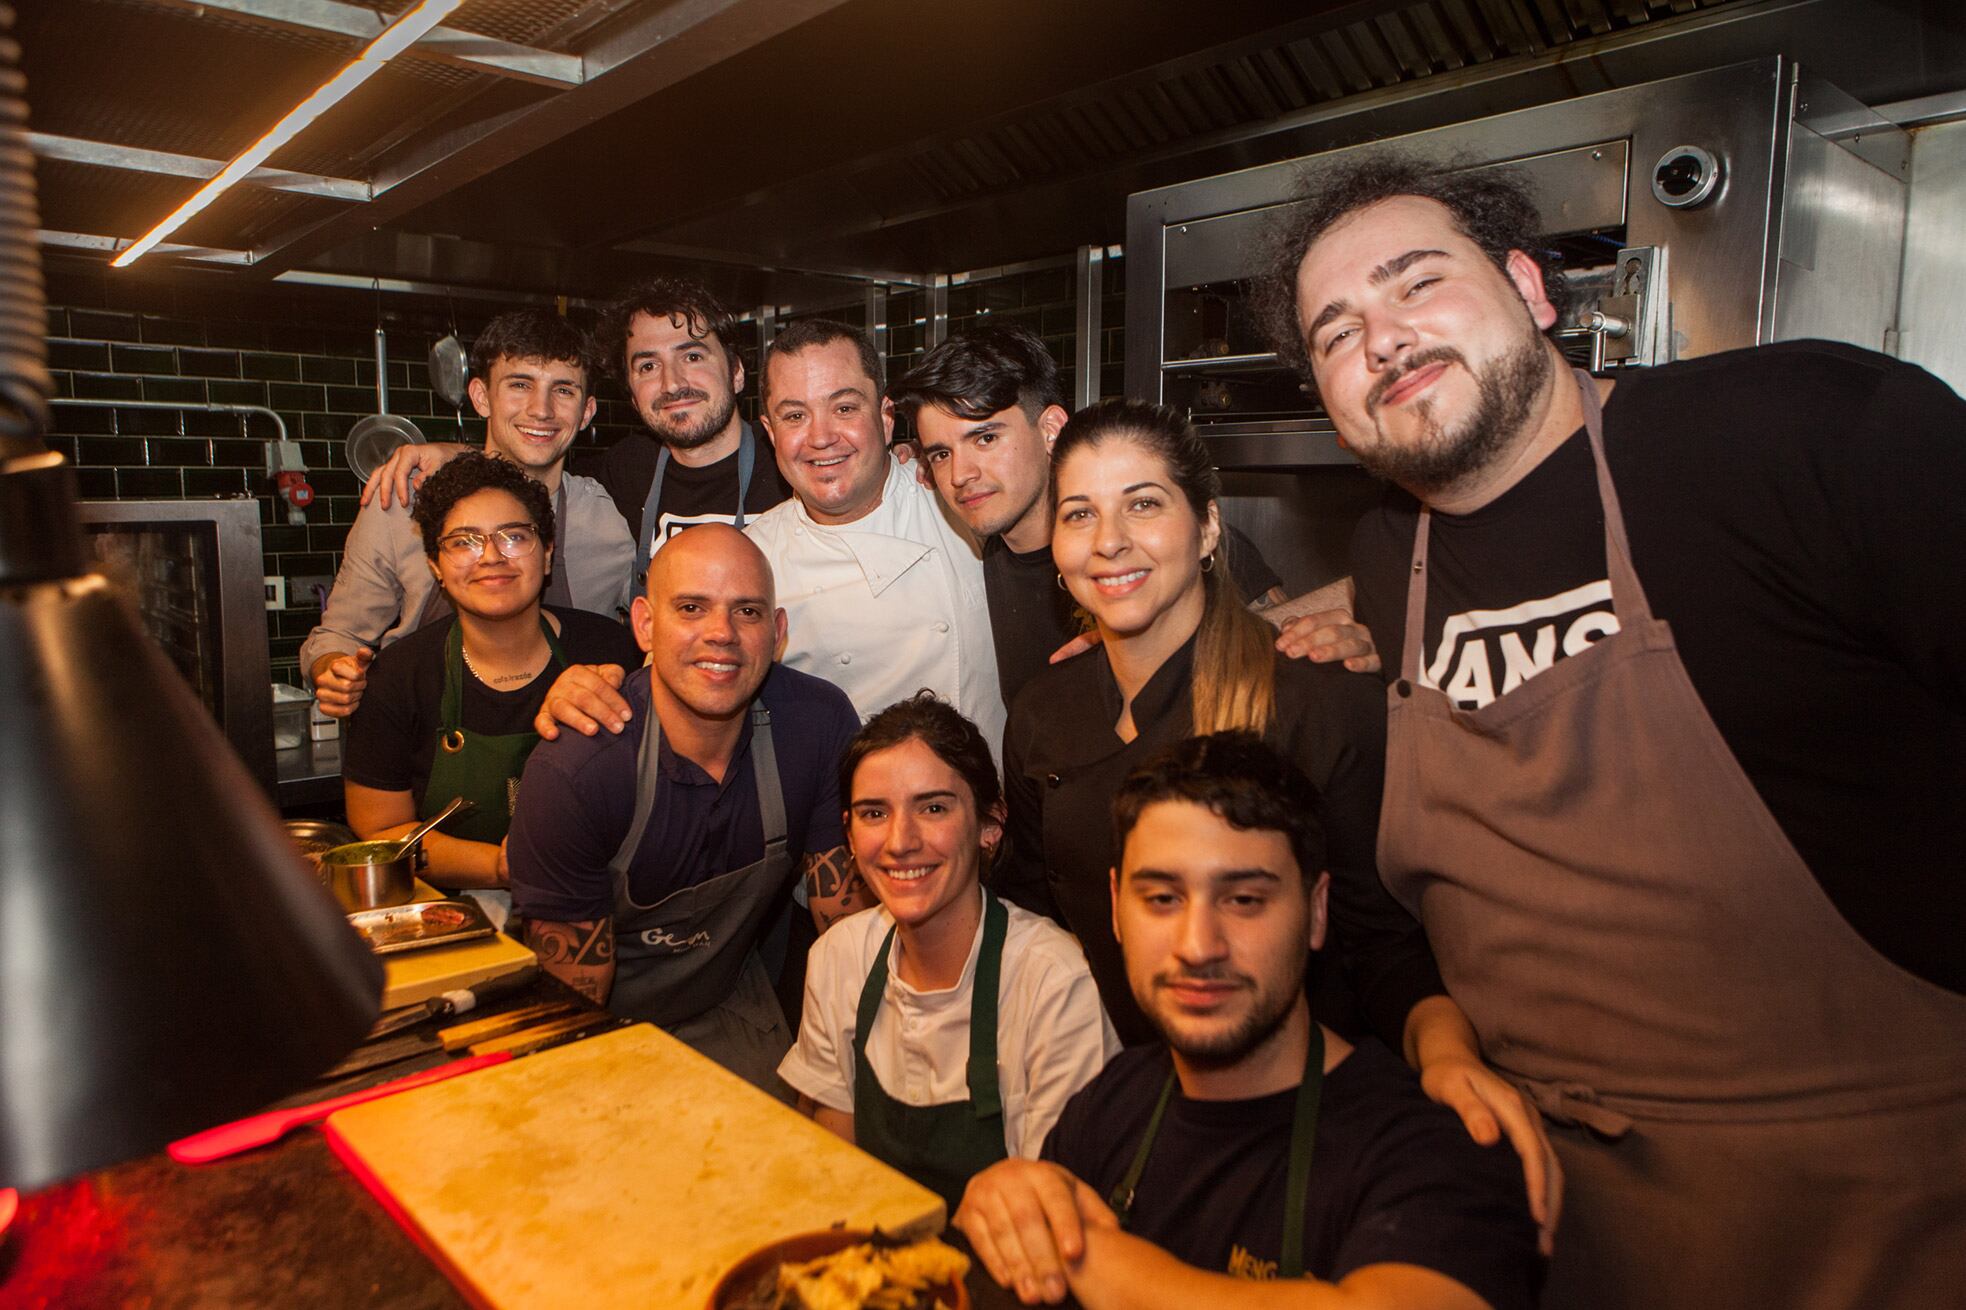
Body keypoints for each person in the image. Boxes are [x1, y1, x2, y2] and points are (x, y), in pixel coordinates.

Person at [1263, 151, 1966, 1308]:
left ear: (1535, 292)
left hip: (1876, 1213)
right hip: (1551, 1218)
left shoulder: (1795, 430)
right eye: (1335, 334)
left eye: (1414, 282)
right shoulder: (1391, 560)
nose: (1379, 339)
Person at [957, 733, 1542, 1310]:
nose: (1198, 946)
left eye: (1243, 900)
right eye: (1162, 898)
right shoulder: (1109, 1106)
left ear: (1315, 912)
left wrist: (1089, 1258)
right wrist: (1006, 1201)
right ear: (1115, 910)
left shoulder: (1433, 1149)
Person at [504, 524, 870, 1093]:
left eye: (747, 612)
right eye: (693, 607)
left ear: (776, 634)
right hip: (600, 1022)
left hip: (727, 1001)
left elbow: (848, 933)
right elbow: (572, 1010)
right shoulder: (578, 770)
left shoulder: (816, 724)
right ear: (646, 624)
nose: (721, 633)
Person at [890, 324, 1378, 706]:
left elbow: (1286, 652)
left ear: (1051, 429)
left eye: (986, 438)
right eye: (941, 453)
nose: (961, 475)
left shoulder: (1161, 541)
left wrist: (1159, 651)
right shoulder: (978, 544)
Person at [779, 692, 1119, 1212]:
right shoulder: (839, 957)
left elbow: (1056, 1220)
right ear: (847, 833)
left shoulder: (1053, 982)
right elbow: (836, 1173)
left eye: (933, 807)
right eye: (874, 813)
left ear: (990, 825)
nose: (900, 841)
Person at [341, 453, 641, 921]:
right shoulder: (398, 676)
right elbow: (380, 829)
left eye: (514, 537)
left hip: (603, 912)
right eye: (464, 542)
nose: (492, 557)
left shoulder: (613, 652)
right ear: (436, 566)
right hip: (451, 921)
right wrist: (500, 866)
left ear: (547, 553)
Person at [302, 310, 634, 717]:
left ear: (586, 412)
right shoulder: (405, 503)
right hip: (425, 753)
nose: (541, 410)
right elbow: (337, 636)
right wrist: (334, 673)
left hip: (570, 759)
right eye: (519, 385)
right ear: (480, 397)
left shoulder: (609, 518)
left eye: (563, 390)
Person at [742, 318, 1007, 751]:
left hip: (990, 802)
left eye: (844, 408)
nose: (822, 437)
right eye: (795, 416)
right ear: (771, 434)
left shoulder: (960, 501)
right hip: (852, 809)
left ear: (886, 419)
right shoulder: (750, 559)